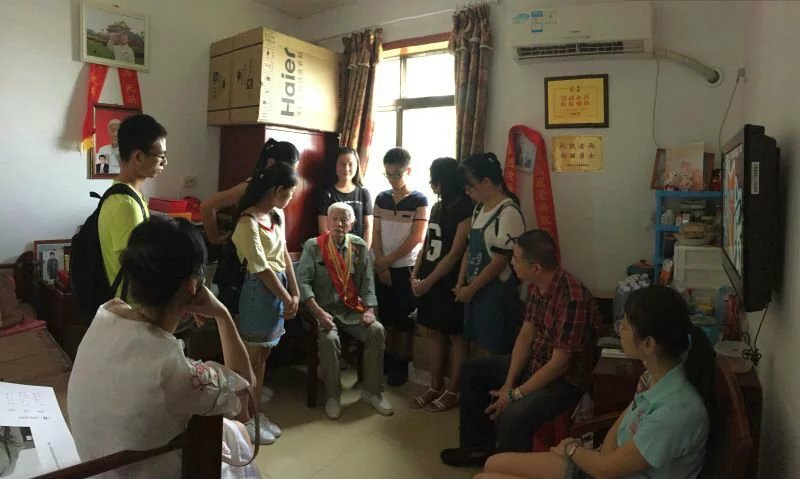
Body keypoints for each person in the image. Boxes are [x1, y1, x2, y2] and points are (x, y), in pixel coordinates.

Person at [68, 216, 260, 479]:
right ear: (193, 284)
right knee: (238, 432)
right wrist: (223, 316)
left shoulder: (108, 313)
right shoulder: (172, 370)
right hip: (144, 470)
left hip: (96, 465)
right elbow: (245, 393)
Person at [476, 285, 716, 479]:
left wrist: (571, 449)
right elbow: (616, 436)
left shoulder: (676, 412)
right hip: (604, 467)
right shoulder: (653, 376)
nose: (619, 329)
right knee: (493, 463)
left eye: (625, 325)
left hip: (607, 470)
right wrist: (592, 458)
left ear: (648, 344)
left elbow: (606, 470)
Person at [441, 230, 601, 467]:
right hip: (536, 361)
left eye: (516, 259)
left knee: (512, 415)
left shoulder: (572, 298)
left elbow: (559, 365)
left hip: (564, 380)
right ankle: (477, 448)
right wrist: (509, 383)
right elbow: (526, 335)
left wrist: (515, 395)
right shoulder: (536, 285)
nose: (512, 263)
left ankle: (511, 469)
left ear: (535, 268)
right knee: (473, 371)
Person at [296, 202, 391, 420]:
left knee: (376, 330)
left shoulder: (359, 246)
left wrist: (370, 310)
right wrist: (318, 313)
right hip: (323, 312)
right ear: (328, 221)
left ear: (352, 223)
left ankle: (372, 392)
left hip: (350, 310)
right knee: (329, 340)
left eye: (344, 219)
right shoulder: (314, 246)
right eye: (335, 219)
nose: (339, 223)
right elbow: (303, 284)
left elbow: (367, 282)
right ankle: (333, 396)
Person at [231, 161, 300, 445]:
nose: (290, 199)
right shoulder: (247, 222)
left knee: (262, 358)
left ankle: (255, 412)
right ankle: (244, 418)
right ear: (277, 190)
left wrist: (295, 292)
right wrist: (286, 296)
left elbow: (283, 255)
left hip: (277, 289)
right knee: (251, 361)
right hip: (258, 293)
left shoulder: (275, 216)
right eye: (289, 194)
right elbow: (260, 268)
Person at [409, 157, 473, 412]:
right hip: (429, 277)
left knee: (456, 337)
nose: (430, 182)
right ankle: (434, 386)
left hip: (448, 280)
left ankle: (453, 390)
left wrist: (428, 282)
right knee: (433, 333)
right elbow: (426, 244)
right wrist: (415, 274)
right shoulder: (436, 207)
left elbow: (455, 253)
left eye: (433, 177)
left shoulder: (466, 208)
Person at [455, 152, 526, 356]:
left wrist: (471, 289)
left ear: (486, 182)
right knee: (476, 347)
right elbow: (470, 249)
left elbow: (500, 262)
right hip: (474, 291)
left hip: (496, 295)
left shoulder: (508, 212)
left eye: (471, 187)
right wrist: (461, 282)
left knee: (493, 352)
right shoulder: (479, 209)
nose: (468, 192)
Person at [372, 147, 428, 385]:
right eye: (388, 174)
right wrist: (381, 263)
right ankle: (388, 358)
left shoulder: (419, 200)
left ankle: (402, 363)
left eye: (397, 174)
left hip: (406, 267)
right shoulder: (381, 198)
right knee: (385, 317)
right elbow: (375, 232)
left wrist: (387, 261)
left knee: (404, 319)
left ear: (408, 171)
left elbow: (417, 237)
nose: (392, 179)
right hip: (382, 266)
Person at [98, 114, 166, 297]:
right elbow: (138, 269)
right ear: (138, 156)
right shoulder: (126, 205)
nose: (164, 162)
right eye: (161, 155)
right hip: (132, 306)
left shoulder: (127, 195)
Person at [201, 139, 299, 246]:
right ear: (270, 163)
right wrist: (215, 239)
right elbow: (207, 206)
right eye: (288, 170)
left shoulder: (280, 192)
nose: (291, 177)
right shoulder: (248, 187)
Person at [316, 147, 373, 249]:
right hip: (334, 250)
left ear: (357, 166)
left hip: (357, 250)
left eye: (351, 164)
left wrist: (363, 252)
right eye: (342, 164)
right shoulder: (327, 193)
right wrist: (338, 252)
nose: (346, 168)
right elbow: (323, 228)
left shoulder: (364, 193)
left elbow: (368, 227)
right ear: (336, 166)